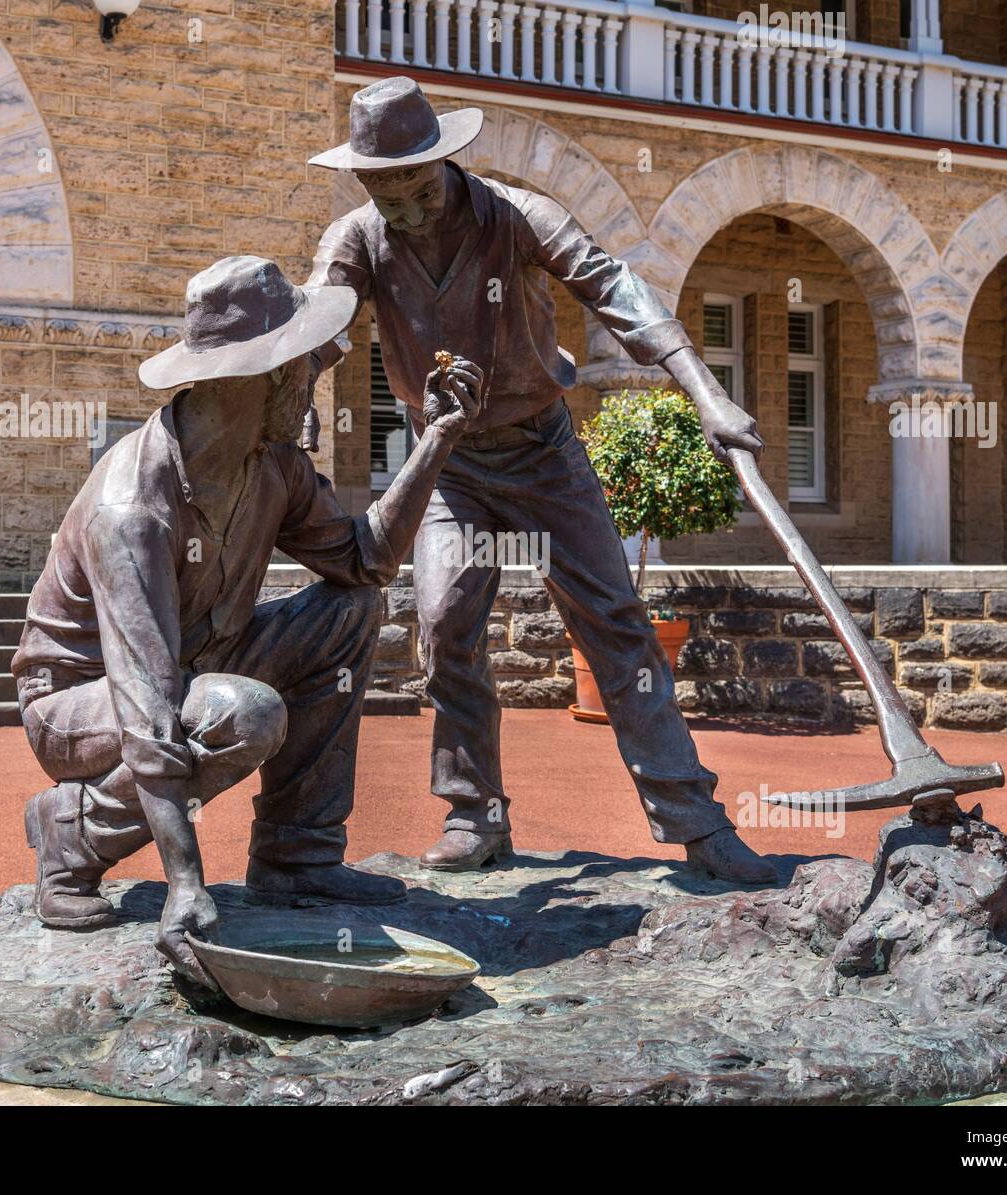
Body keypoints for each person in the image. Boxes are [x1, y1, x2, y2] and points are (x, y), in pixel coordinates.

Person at [304, 78, 775, 883]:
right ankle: (474, 811)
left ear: (444, 163)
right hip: (446, 463)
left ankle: (694, 818)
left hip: (542, 453)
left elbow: (617, 289)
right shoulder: (357, 236)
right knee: (446, 619)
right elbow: (318, 321)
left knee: (616, 625)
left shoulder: (517, 215)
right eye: (385, 191)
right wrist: (299, 406)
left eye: (417, 188)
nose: (406, 208)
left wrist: (707, 394)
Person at [12, 255, 480, 985]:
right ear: (256, 378)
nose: (314, 391)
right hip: (79, 699)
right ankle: (71, 835)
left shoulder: (274, 466)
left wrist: (437, 439)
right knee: (245, 715)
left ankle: (298, 857)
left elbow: (365, 561)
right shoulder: (132, 508)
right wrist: (185, 884)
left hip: (199, 661)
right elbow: (146, 703)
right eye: (305, 370)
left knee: (350, 610)